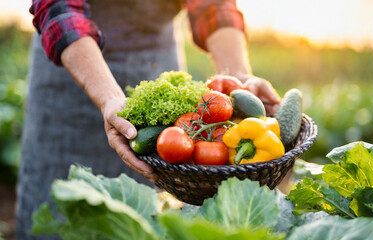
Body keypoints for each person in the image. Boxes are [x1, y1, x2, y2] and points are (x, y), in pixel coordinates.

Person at [17, 0, 281, 239]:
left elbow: (213, 7)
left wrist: (237, 82)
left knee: (144, 223)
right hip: (72, 68)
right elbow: (59, 9)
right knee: (59, 215)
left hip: (155, 59)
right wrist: (108, 97)